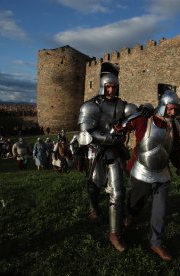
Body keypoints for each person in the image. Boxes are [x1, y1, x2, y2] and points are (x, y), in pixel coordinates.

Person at [113, 90, 180, 261]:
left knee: (161, 210)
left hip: (162, 173)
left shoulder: (174, 126)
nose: (173, 113)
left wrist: (179, 164)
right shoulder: (143, 119)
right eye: (171, 109)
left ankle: (157, 242)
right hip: (142, 171)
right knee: (136, 203)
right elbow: (119, 128)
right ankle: (129, 218)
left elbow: (173, 149)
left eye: (176, 109)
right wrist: (133, 116)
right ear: (163, 106)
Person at [76, 72, 137, 252]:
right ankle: (94, 206)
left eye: (114, 86)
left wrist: (146, 110)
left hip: (115, 152)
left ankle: (115, 233)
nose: (111, 90)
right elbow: (86, 131)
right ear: (103, 87)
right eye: (108, 86)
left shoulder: (122, 106)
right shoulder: (91, 106)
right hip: (96, 151)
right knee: (96, 183)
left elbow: (136, 118)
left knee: (118, 191)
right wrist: (110, 139)